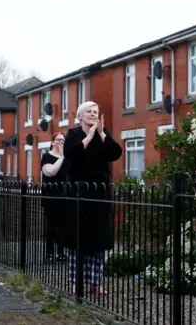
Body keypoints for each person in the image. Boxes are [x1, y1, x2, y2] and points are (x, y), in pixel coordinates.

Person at [63, 101, 122, 295]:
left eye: (96, 111)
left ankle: (96, 282)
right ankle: (76, 281)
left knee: (98, 239)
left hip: (99, 193)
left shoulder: (103, 135)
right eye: (88, 111)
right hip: (78, 192)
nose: (93, 114)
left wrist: (102, 133)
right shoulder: (73, 135)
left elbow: (115, 153)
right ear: (80, 116)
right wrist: (88, 137)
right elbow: (71, 154)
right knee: (77, 240)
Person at [40, 133, 69, 264]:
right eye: (58, 140)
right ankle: (49, 254)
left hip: (64, 196)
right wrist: (62, 156)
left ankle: (62, 254)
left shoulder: (67, 159)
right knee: (52, 226)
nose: (61, 142)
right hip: (50, 196)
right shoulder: (47, 156)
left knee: (64, 226)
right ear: (52, 142)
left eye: (63, 140)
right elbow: (50, 172)